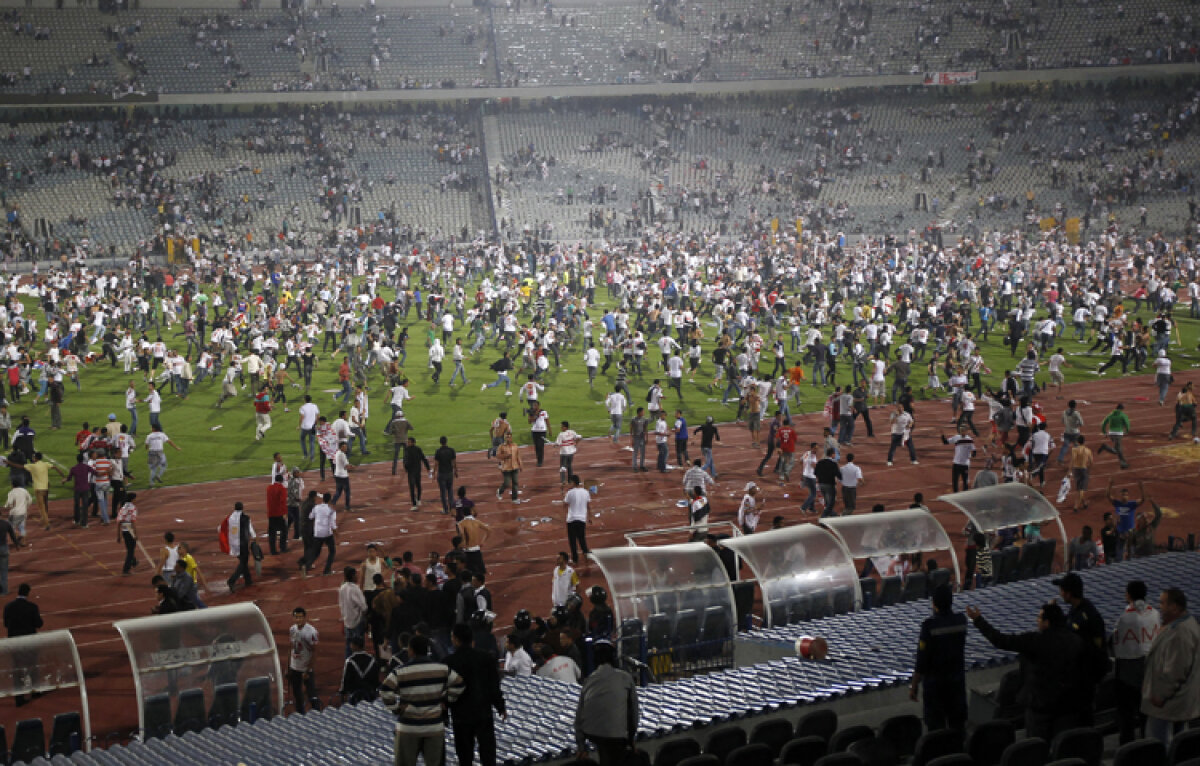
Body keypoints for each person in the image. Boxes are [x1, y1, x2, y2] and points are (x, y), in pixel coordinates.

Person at [966, 601, 1086, 740]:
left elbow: (1001, 640)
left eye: (1039, 618)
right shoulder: (1075, 641)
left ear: (1047, 623)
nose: (1037, 620)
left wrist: (978, 620)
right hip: (1068, 707)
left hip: (1040, 709)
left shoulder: (1035, 641)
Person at [380, 634, 464, 766]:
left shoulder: (401, 671)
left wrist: (396, 709)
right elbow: (459, 684)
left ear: (411, 651)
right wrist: (446, 700)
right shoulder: (441, 668)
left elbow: (385, 691)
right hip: (434, 726)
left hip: (408, 728)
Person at [1142, 588, 1200, 746]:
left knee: (1158, 743)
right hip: (1177, 700)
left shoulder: (1180, 632)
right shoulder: (1182, 624)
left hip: (1168, 702)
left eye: (1163, 603)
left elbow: (1176, 670)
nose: (1160, 607)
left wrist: (1160, 695)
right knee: (1178, 741)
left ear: (1174, 607)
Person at [445, 622, 507, 766]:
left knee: (465, 756)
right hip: (483, 712)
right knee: (488, 753)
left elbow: (445, 691)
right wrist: (500, 706)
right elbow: (494, 686)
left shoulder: (449, 662)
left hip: (460, 715)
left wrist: (445, 713)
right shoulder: (486, 658)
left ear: (455, 639)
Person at [910, 584, 967, 731]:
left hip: (935, 688)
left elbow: (921, 660)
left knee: (936, 731)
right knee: (957, 727)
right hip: (957, 686)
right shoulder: (961, 621)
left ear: (934, 604)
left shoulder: (929, 627)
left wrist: (914, 685)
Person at [1054, 572, 1109, 725]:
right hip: (1078, 675)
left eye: (1062, 590)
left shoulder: (1087, 615)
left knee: (1083, 716)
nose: (1060, 593)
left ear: (1069, 593)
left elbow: (1096, 649)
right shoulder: (1077, 609)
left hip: (1085, 676)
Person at [1111, 580, 1160, 745]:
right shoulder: (1155, 614)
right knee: (1146, 715)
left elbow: (1115, 643)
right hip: (1150, 671)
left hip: (1128, 674)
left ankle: (1128, 750)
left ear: (1129, 595)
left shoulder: (1125, 618)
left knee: (1127, 717)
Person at [574, 640, 638, 766]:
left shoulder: (589, 681)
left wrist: (581, 747)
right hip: (617, 737)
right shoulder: (625, 678)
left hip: (592, 734)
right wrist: (631, 741)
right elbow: (633, 714)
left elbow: (578, 719)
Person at [288, 606, 319, 714]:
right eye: (296, 617)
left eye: (300, 617)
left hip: (305, 668)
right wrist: (289, 666)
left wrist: (308, 669)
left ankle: (317, 714)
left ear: (305, 618)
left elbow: (314, 652)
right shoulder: (292, 629)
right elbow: (291, 647)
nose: (298, 620)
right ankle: (300, 714)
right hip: (295, 666)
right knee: (297, 694)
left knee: (311, 694)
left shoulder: (311, 632)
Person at [1106, 479, 1144, 563]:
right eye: (1123, 495)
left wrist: (1141, 488)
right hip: (1120, 535)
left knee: (1131, 554)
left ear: (1128, 496)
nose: (1124, 496)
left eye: (1126, 495)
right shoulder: (1117, 503)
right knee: (1119, 555)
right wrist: (1109, 485)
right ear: (1120, 496)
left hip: (1130, 533)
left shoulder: (1132, 504)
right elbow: (1108, 496)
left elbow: (1142, 500)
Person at [303, 493, 337, 577]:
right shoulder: (331, 510)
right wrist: (336, 533)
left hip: (317, 533)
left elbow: (310, 517)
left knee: (316, 552)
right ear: (329, 500)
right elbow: (333, 524)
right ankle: (327, 570)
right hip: (327, 533)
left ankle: (307, 566)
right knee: (332, 551)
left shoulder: (316, 507)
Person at [338, 635, 379, 703]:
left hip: (354, 694)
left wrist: (342, 692)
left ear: (355, 646)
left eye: (351, 644)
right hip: (369, 693)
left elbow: (345, 679)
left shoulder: (350, 661)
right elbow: (376, 678)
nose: (350, 645)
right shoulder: (372, 659)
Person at [226, 501, 255, 593]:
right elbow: (250, 529)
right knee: (243, 563)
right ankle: (232, 580)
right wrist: (254, 537)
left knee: (243, 561)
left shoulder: (230, 518)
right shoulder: (245, 518)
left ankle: (248, 580)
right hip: (242, 543)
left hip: (234, 544)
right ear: (242, 508)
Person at [564, 475, 590, 566]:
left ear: (573, 482)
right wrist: (590, 517)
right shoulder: (586, 492)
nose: (568, 484)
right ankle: (586, 552)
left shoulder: (569, 493)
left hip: (571, 519)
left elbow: (565, 504)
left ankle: (575, 559)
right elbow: (588, 506)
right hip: (582, 519)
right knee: (582, 537)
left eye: (569, 482)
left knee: (572, 540)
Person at [1097, 402, 1131, 469]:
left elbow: (1103, 423)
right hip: (1118, 434)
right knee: (1118, 449)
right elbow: (1127, 424)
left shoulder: (1110, 414)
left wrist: (1104, 432)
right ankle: (1123, 463)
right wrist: (1127, 431)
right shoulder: (1123, 415)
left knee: (1116, 449)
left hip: (1111, 434)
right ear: (1121, 409)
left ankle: (1105, 447)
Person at [401, 437, 431, 511]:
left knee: (412, 487)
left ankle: (415, 504)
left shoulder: (407, 450)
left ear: (413, 442)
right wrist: (428, 468)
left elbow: (405, 460)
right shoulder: (418, 449)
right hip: (417, 470)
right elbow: (424, 458)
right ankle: (418, 500)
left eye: (409, 442)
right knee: (418, 485)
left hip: (412, 472)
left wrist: (406, 468)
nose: (408, 443)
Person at [433, 437, 458, 514]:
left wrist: (434, 472)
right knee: (450, 491)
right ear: (446, 442)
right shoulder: (451, 450)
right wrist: (456, 471)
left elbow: (436, 464)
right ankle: (452, 508)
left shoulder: (438, 451)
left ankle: (445, 509)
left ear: (440, 442)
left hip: (441, 474)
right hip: (449, 473)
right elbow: (454, 462)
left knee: (443, 493)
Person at [495, 433, 522, 502]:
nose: (508, 438)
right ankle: (500, 491)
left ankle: (514, 498)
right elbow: (498, 456)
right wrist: (505, 456)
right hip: (506, 468)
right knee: (507, 483)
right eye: (507, 437)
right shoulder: (501, 446)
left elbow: (518, 456)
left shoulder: (515, 446)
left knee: (515, 483)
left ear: (511, 438)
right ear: (504, 438)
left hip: (515, 467)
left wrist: (520, 465)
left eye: (509, 437)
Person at [267, 474, 288, 554]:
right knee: (284, 530)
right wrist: (284, 513)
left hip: (271, 513)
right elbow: (283, 502)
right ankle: (283, 547)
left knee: (272, 533)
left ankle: (273, 550)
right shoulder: (282, 488)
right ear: (281, 480)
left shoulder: (269, 488)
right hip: (279, 513)